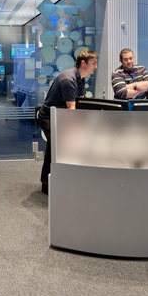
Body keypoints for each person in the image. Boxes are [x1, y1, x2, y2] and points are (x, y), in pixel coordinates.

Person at [40, 47, 98, 193]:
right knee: (55, 147)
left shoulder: (81, 78)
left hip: (60, 115)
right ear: (83, 63)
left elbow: (82, 102)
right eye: (93, 63)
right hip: (48, 117)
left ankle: (55, 180)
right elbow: (71, 109)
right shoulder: (69, 79)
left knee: (57, 147)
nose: (95, 67)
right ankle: (47, 183)